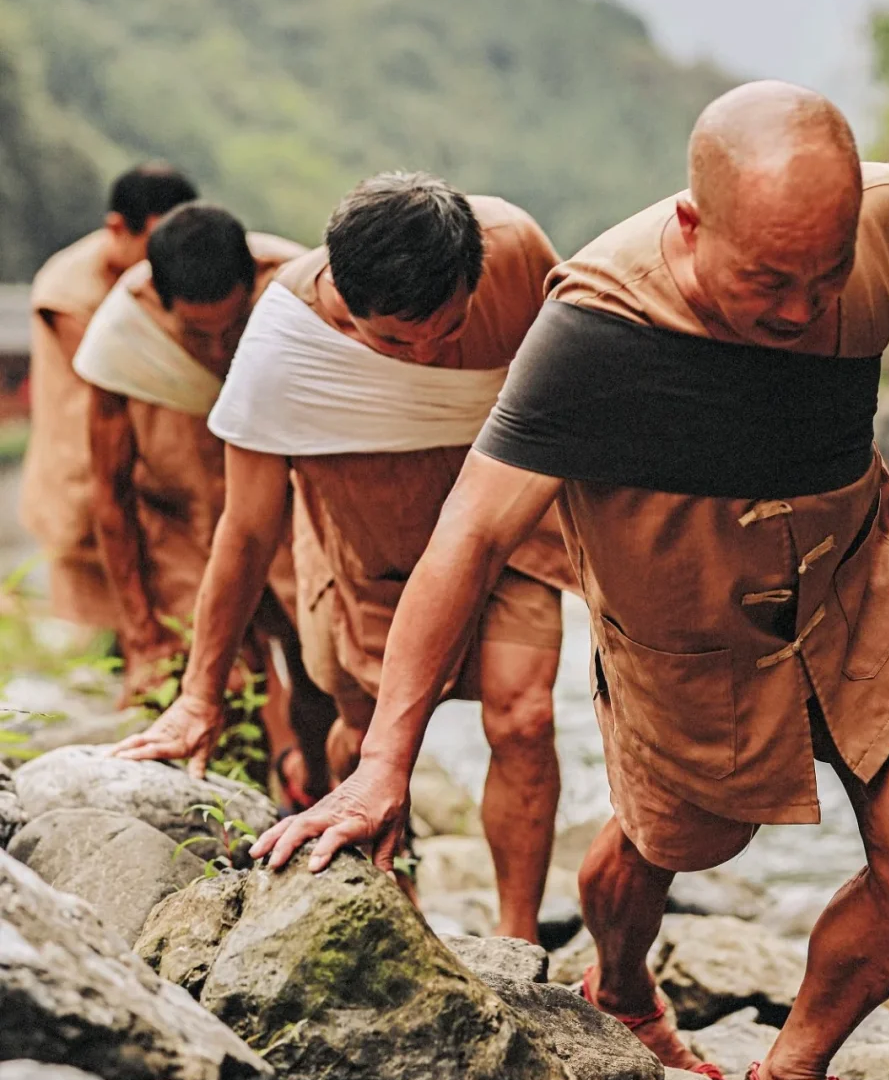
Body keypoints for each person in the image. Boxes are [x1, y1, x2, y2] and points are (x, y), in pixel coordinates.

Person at [249, 84, 889, 1080]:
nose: (802, 309)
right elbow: (471, 536)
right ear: (690, 223)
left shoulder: (885, 217)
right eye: (766, 278)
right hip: (688, 620)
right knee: (680, 841)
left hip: (862, 574)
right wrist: (385, 761)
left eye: (823, 274)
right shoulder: (593, 328)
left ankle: (792, 1062)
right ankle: (619, 983)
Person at [113, 172, 576, 943]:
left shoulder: (518, 250)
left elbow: (582, 372)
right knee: (367, 739)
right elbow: (248, 530)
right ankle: (391, 897)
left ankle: (517, 941)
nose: (425, 354)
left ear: (475, 273)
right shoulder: (280, 345)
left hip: (506, 526)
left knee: (524, 716)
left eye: (448, 330)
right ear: (338, 288)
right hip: (371, 546)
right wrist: (200, 692)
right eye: (394, 341)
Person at [76, 203, 329, 803]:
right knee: (216, 686)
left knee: (326, 672)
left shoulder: (302, 293)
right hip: (186, 528)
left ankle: (322, 792)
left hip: (294, 520)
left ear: (252, 287)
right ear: (161, 304)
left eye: (232, 328)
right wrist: (138, 632)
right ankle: (236, 842)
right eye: (198, 336)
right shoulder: (124, 335)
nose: (219, 353)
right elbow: (109, 493)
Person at [19, 164, 198, 629]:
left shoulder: (172, 275)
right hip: (87, 490)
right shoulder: (69, 290)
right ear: (118, 229)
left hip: (163, 495)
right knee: (109, 636)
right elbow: (119, 379)